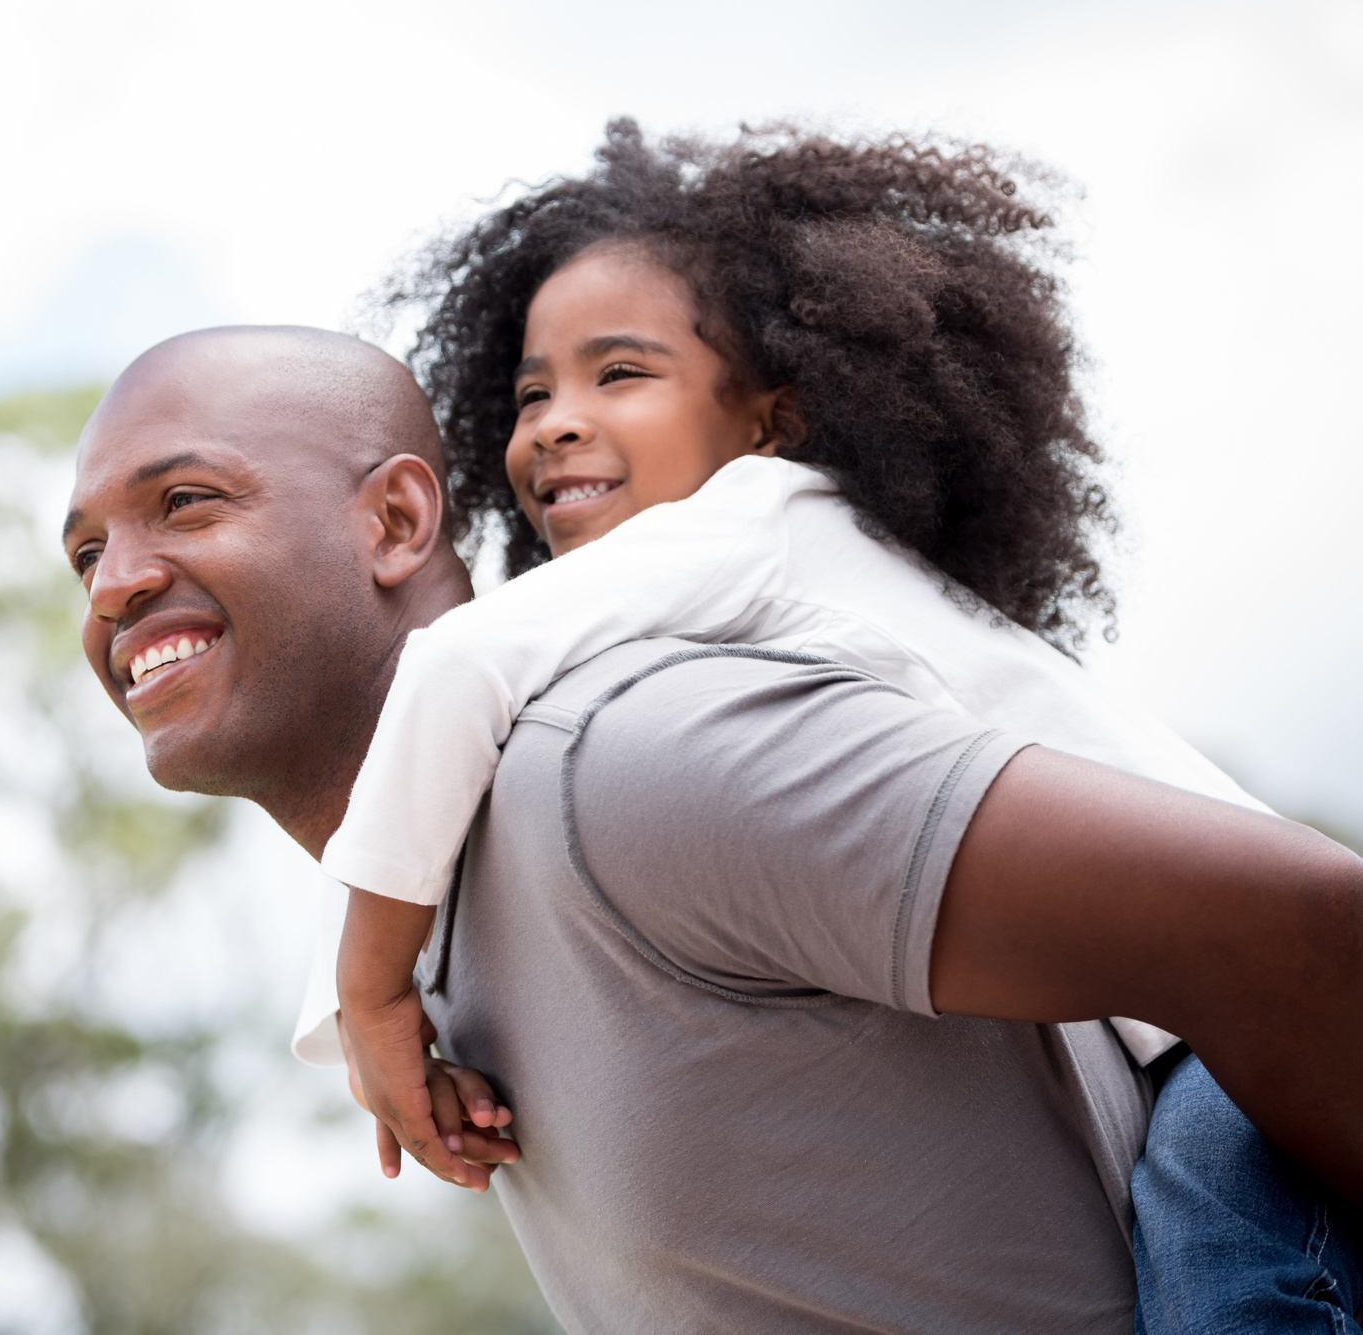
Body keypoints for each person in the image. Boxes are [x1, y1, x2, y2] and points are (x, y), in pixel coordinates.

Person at [61, 322, 1363, 1332]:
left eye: (184, 502)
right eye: (82, 553)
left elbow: (1302, 927)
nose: (115, 583)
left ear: (396, 519)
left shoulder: (621, 761)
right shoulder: (428, 939)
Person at [318, 123, 1363, 1331]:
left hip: (1223, 1053)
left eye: (621, 374)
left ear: (771, 423)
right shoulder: (725, 610)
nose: (554, 421)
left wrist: (373, 993)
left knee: (1233, 1296)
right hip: (1182, 1038)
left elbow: (457, 666)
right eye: (532, 391)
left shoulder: (756, 515)